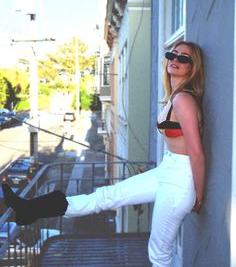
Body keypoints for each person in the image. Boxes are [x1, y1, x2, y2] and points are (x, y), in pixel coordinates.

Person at [2, 41, 205, 267]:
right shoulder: (173, 98)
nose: (175, 60)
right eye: (172, 54)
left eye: (183, 58)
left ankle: (30, 209)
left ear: (192, 66)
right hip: (167, 171)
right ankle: (31, 209)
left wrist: (199, 195)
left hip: (180, 180)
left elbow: (196, 152)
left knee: (159, 253)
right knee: (107, 196)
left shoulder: (183, 99)